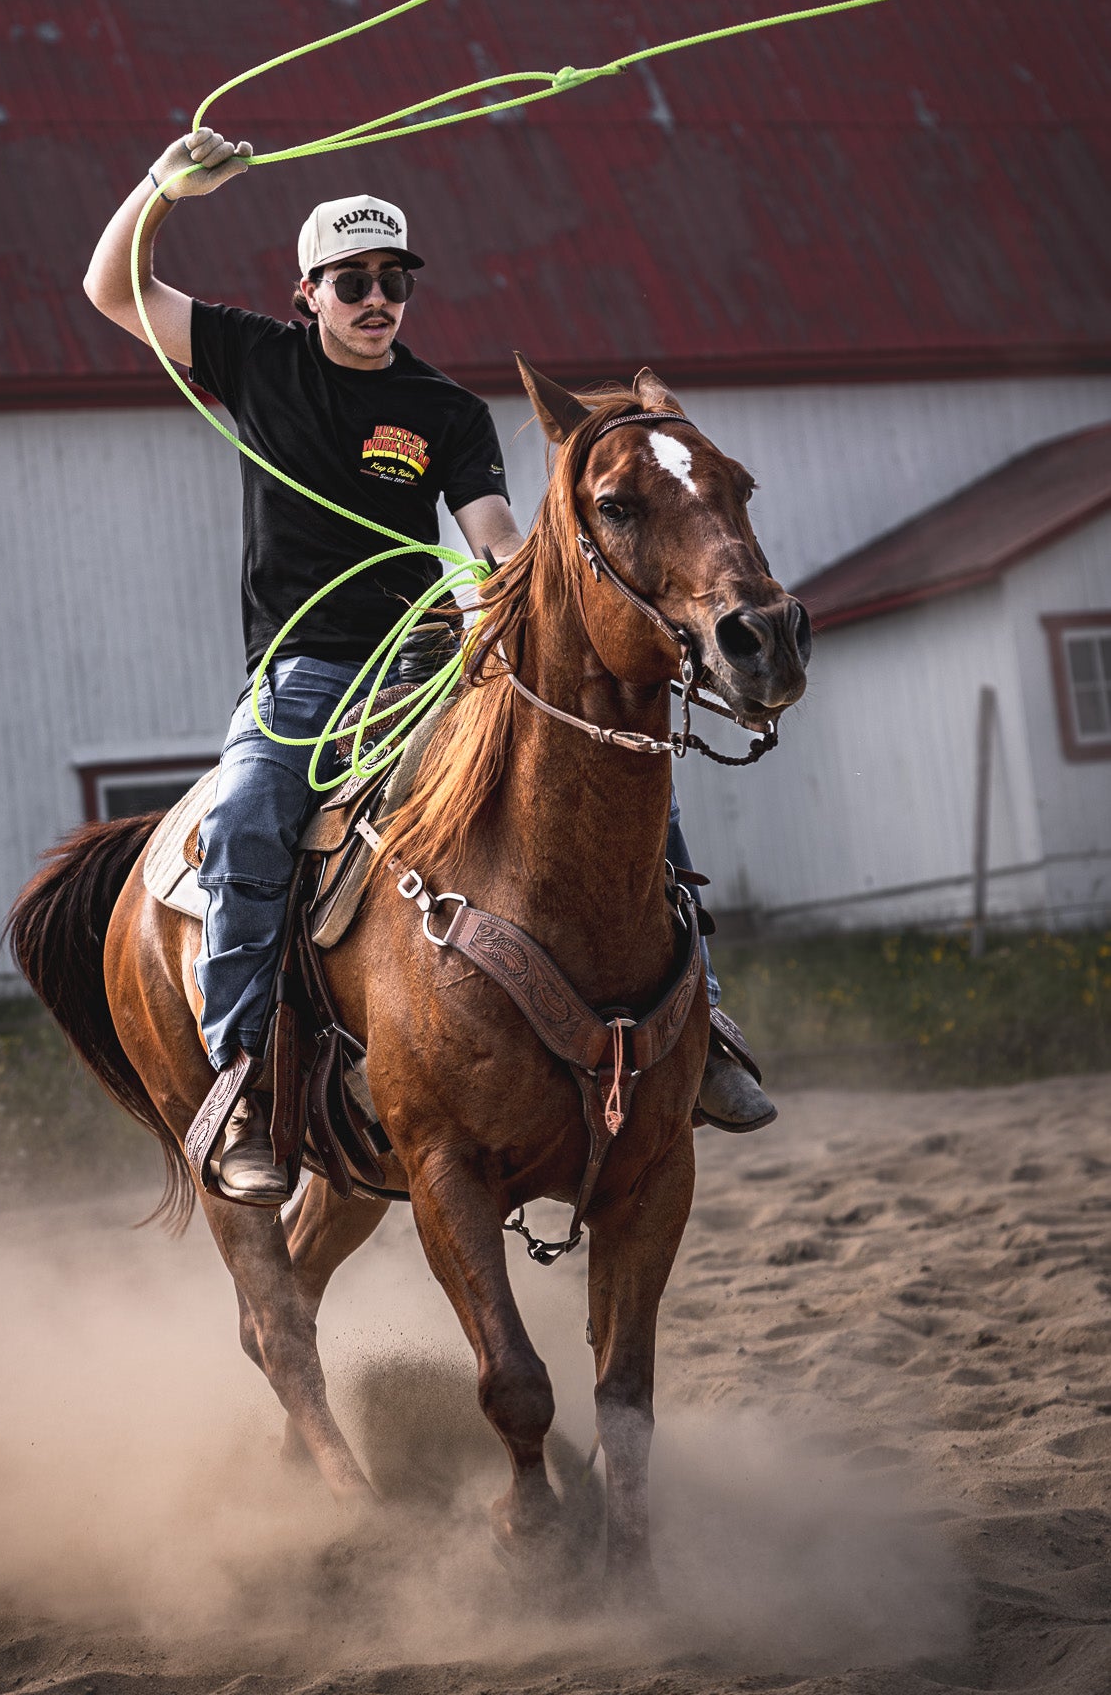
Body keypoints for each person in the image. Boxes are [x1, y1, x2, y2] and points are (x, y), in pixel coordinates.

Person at [83, 127, 774, 1203]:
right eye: (352, 280)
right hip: (305, 672)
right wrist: (162, 187)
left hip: (428, 659)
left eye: (394, 281)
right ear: (308, 291)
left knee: (622, 764)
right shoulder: (254, 358)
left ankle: (705, 1027)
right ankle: (242, 1079)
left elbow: (490, 531)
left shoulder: (444, 410)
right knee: (250, 817)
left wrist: (518, 591)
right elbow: (111, 289)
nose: (376, 299)